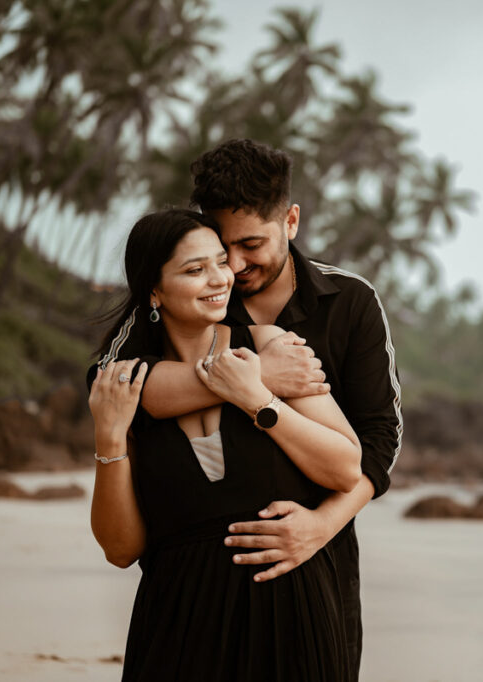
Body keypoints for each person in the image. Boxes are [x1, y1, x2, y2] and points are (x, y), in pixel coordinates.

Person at [128, 139, 403, 679]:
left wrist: (321, 525)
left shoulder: (350, 301)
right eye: (221, 244)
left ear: (291, 220)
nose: (233, 264)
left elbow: (378, 441)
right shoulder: (198, 288)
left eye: (251, 243)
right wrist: (260, 377)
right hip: (189, 579)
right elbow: (123, 383)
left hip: (312, 563)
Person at [87, 208, 362, 680]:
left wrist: (259, 399)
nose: (219, 278)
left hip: (289, 618)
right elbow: (121, 548)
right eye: (195, 270)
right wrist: (110, 437)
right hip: (179, 624)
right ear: (154, 290)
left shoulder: (272, 345)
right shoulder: (128, 388)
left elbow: (345, 468)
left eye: (220, 262)